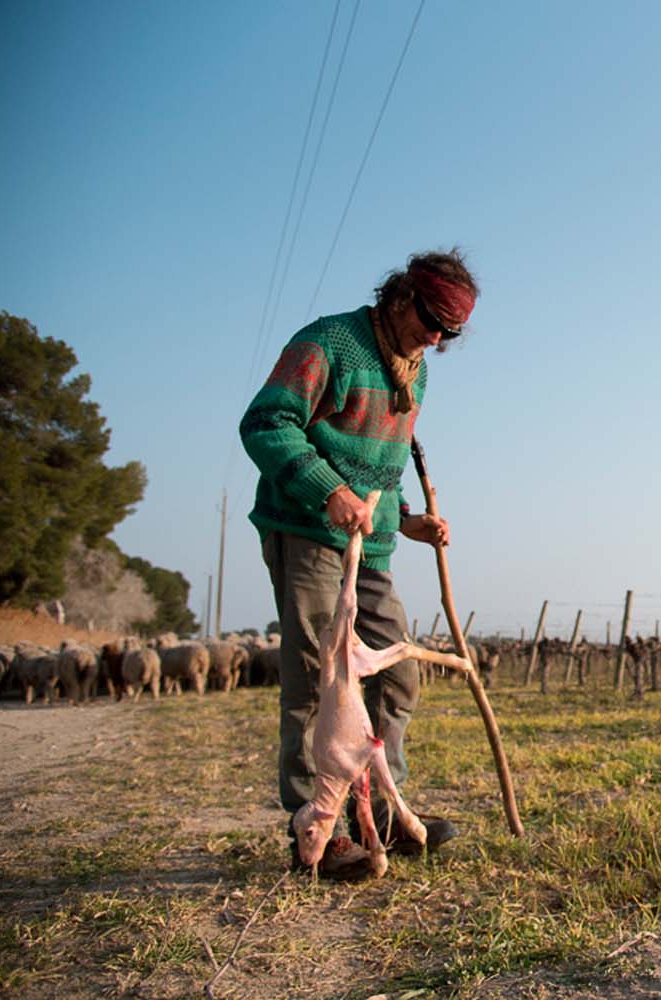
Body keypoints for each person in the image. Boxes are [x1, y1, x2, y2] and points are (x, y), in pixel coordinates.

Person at [240, 249, 478, 880]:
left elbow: (379, 470)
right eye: (431, 320)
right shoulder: (328, 344)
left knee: (398, 678)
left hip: (369, 547)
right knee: (318, 680)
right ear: (400, 297)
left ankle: (388, 817)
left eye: (449, 333)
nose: (435, 337)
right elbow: (266, 423)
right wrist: (325, 488)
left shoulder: (416, 371)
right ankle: (314, 828)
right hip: (307, 531)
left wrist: (407, 519)